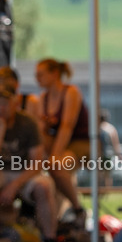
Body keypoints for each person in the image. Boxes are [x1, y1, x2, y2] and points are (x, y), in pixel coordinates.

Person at [0, 79, 61, 242]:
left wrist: (16, 185)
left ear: (16, 103)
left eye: (5, 103)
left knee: (44, 186)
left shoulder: (28, 123)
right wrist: (0, 127)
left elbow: (37, 162)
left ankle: (50, 241)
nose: (1, 107)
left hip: (23, 173)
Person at [35, 58, 89, 228]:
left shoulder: (71, 92)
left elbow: (67, 126)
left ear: (55, 74)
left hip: (80, 144)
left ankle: (78, 209)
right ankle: (50, 221)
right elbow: (42, 130)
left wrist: (53, 157)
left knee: (57, 167)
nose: (37, 79)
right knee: (49, 168)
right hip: (60, 145)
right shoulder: (43, 97)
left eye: (41, 74)